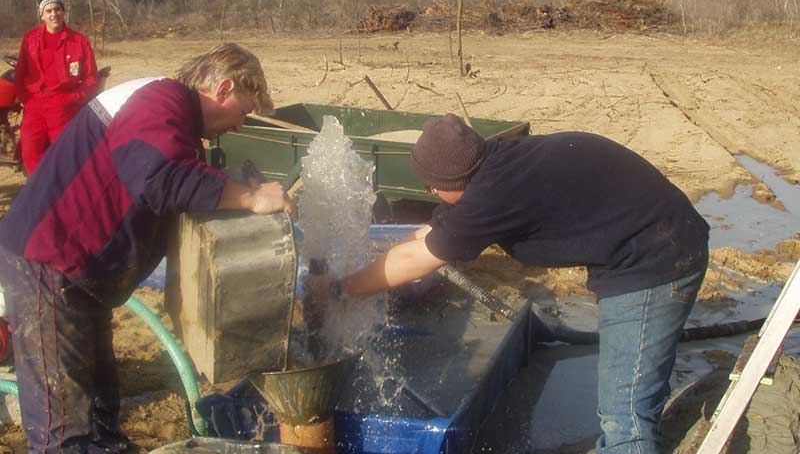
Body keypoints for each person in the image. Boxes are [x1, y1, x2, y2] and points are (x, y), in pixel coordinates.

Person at [325, 114, 709, 454]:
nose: (431, 195)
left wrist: (339, 290)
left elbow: (416, 259)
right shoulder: (494, 167)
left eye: (431, 188)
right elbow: (429, 235)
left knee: (624, 417)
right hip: (647, 241)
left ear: (452, 180)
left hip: (657, 258)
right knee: (631, 385)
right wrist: (378, 258)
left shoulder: (492, 195)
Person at [0, 43, 295, 454]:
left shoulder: (173, 117)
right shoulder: (161, 100)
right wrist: (248, 198)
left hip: (78, 272)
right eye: (243, 112)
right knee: (66, 433)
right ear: (224, 88)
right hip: (50, 262)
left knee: (101, 414)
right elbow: (159, 178)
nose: (241, 126)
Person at [15, 0, 100, 175]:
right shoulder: (30, 39)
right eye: (49, 11)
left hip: (65, 106)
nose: (54, 14)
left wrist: (74, 98)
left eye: (57, 9)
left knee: (65, 156)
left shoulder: (79, 41)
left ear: (63, 12)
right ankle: (41, 194)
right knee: (30, 153)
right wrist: (26, 100)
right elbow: (20, 73)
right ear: (42, 15)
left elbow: (92, 78)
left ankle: (63, 196)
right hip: (35, 104)